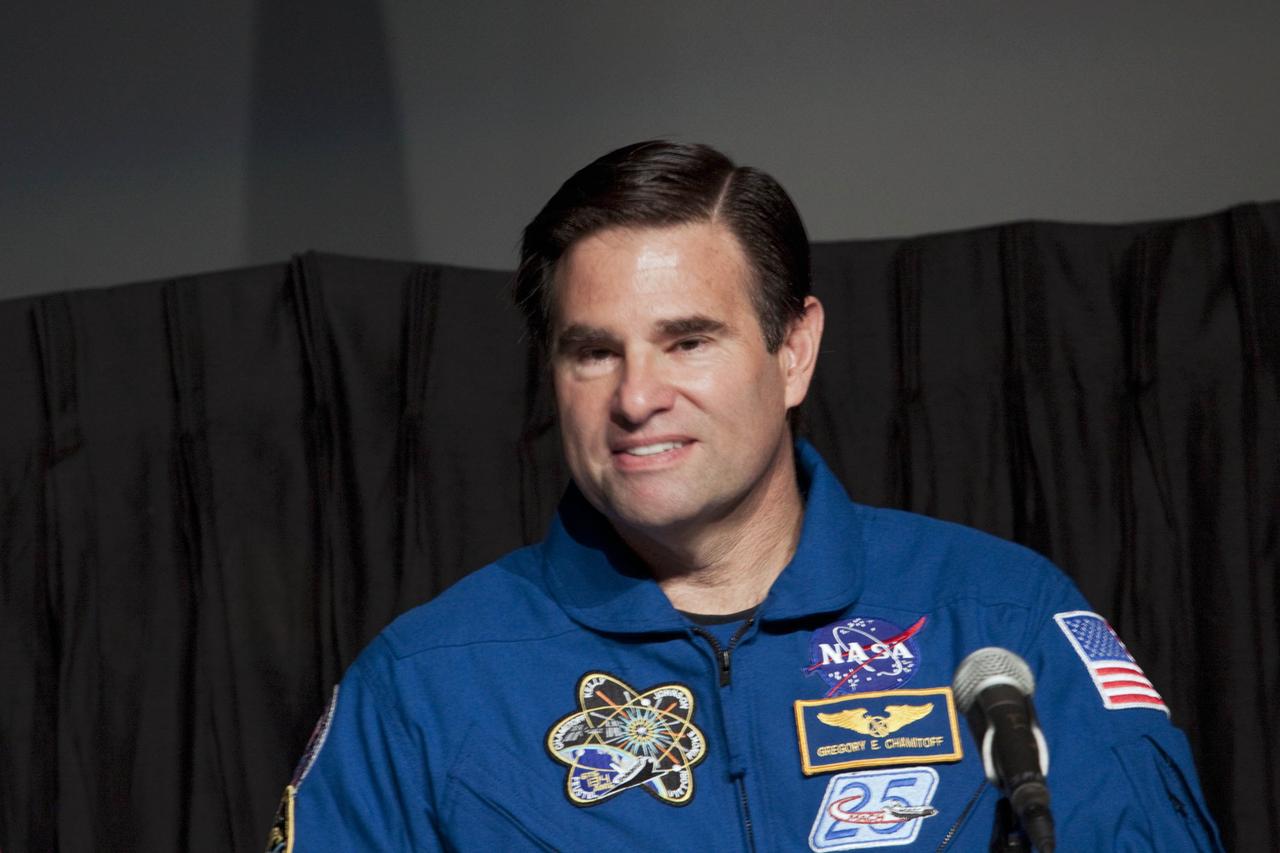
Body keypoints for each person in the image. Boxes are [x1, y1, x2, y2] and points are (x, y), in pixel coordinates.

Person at [268, 141, 1221, 851]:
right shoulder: (428, 686)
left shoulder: (1001, 623)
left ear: (794, 349)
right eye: (594, 352)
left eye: (688, 341)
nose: (637, 397)